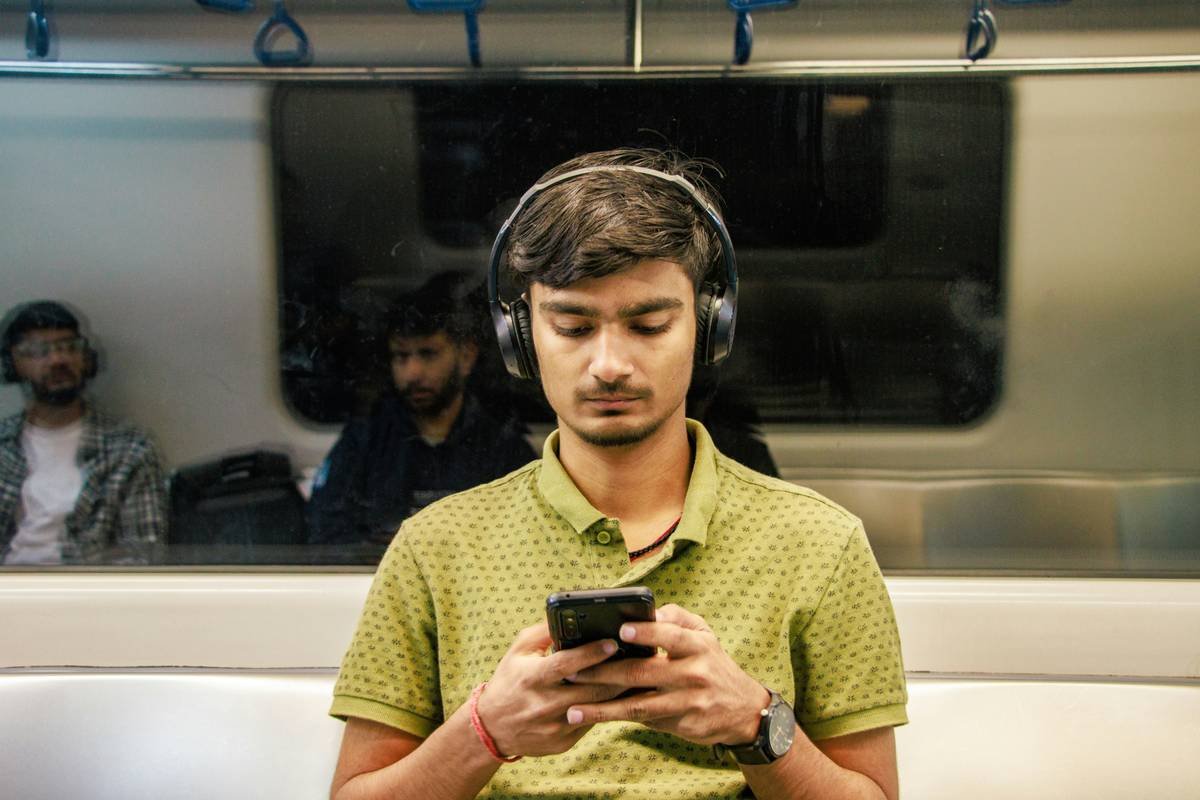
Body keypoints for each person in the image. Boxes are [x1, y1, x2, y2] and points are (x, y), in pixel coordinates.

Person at [328, 149, 907, 800]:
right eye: (573, 327)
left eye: (648, 324)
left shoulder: (820, 545)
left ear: (708, 330)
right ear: (520, 339)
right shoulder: (435, 548)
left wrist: (756, 722)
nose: (608, 364)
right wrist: (485, 732)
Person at [307, 274, 537, 547]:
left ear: (466, 357)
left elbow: (525, 541)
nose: (412, 373)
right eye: (401, 357)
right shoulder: (365, 440)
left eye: (428, 354)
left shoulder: (502, 446)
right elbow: (325, 533)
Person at [0, 300, 167, 565]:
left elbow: (142, 557)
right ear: (13, 364)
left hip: (82, 598)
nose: (58, 359)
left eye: (68, 347)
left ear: (86, 358)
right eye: (39, 351)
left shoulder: (130, 450)